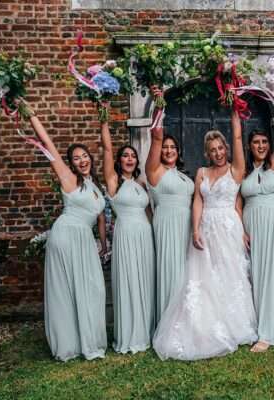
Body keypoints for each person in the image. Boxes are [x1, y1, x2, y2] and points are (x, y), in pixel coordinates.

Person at [153, 109, 257, 360]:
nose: (218, 153)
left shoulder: (236, 170)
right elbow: (197, 202)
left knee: (230, 275)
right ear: (207, 153)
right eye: (213, 150)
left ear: (226, 148)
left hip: (229, 228)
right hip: (206, 230)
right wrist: (196, 229)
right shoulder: (201, 172)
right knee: (204, 278)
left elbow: (238, 139)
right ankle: (203, 326)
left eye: (221, 148)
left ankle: (235, 325)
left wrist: (235, 115)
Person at [26, 102, 107, 361]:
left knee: (91, 288)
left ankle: (88, 338)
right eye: (76, 158)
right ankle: (69, 344)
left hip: (85, 237)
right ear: (70, 164)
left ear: (89, 159)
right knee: (67, 289)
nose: (81, 161)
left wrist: (104, 244)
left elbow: (101, 218)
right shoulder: (69, 179)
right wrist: (33, 117)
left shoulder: (95, 186)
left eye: (84, 156)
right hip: (66, 233)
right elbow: (48, 145)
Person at [240, 88, 274, 352]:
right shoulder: (245, 173)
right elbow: (236, 204)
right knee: (255, 275)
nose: (261, 146)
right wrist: (241, 230)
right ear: (249, 147)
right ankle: (254, 324)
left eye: (264, 142)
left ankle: (271, 331)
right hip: (252, 225)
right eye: (256, 143)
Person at [99, 112, 155, 354]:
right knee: (128, 279)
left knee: (145, 280)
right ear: (119, 161)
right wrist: (103, 117)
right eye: (125, 156)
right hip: (125, 233)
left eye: (133, 155)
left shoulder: (142, 183)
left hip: (144, 234)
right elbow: (107, 149)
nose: (129, 159)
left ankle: (147, 330)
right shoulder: (113, 181)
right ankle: (130, 334)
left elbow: (151, 213)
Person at [145, 88, 195, 324]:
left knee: (188, 270)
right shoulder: (154, 172)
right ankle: (168, 322)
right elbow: (156, 135)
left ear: (178, 151)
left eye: (172, 147)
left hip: (187, 225)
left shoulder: (184, 176)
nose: (168, 150)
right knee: (170, 268)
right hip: (166, 223)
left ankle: (187, 321)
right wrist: (159, 103)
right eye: (165, 147)